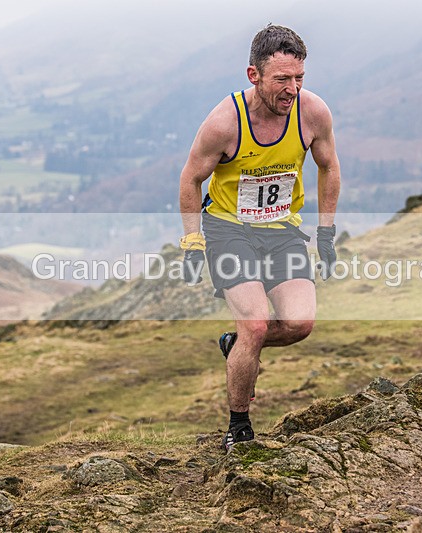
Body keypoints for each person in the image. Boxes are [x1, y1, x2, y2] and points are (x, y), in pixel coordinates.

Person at [178, 24, 341, 451]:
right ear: (254, 75)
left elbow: (329, 166)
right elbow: (191, 179)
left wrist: (326, 231)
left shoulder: (314, 113)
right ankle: (239, 426)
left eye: (299, 78)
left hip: (282, 230)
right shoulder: (224, 123)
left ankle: (237, 346)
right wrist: (192, 242)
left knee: (299, 323)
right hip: (229, 230)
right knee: (254, 321)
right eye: (282, 80)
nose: (292, 90)